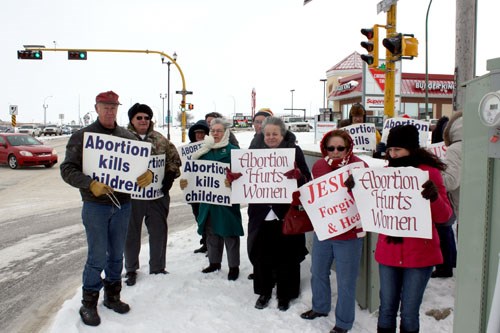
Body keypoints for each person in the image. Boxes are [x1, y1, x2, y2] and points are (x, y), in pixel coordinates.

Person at [60, 91, 154, 327]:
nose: (110, 111)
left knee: (116, 254)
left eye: (113, 107)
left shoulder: (127, 137)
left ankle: (113, 296)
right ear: (97, 108)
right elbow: (67, 170)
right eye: (105, 107)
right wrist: (90, 184)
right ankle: (89, 302)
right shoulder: (83, 137)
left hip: (123, 204)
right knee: (97, 255)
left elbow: (143, 166)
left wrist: (148, 174)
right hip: (95, 205)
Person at [367, 124, 453, 333]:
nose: (393, 154)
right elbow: (369, 204)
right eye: (390, 150)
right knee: (386, 308)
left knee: (409, 312)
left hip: (420, 253)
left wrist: (434, 198)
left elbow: (445, 217)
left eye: (398, 150)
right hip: (389, 251)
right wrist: (356, 188)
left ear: (411, 149)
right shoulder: (383, 174)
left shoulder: (429, 173)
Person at [300, 130, 367, 333]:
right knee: (318, 272)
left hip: (348, 233)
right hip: (325, 230)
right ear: (324, 148)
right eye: (331, 148)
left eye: (341, 148)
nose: (336, 152)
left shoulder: (359, 166)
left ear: (348, 148)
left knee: (346, 280)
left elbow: (368, 200)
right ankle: (320, 307)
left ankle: (344, 322)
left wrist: (357, 188)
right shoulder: (319, 166)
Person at [247, 116, 311, 312]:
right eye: (267, 134)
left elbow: (307, 180)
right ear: (262, 134)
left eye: (275, 133)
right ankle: (264, 291)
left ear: (283, 134)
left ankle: (286, 294)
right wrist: (235, 179)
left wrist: (299, 176)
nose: (271, 137)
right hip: (262, 213)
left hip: (286, 214)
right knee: (262, 255)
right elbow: (245, 179)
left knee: (288, 256)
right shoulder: (254, 153)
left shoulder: (294, 152)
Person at [124, 103, 181, 286]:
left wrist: (170, 175)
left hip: (157, 196)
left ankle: (157, 266)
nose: (143, 121)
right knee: (131, 233)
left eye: (146, 118)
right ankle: (131, 269)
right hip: (132, 197)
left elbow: (174, 159)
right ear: (132, 120)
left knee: (158, 231)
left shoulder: (160, 139)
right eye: (139, 118)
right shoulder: (122, 138)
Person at [180, 117, 243, 280]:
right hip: (208, 201)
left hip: (226, 201)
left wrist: (233, 178)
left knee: (229, 232)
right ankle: (214, 262)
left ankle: (233, 266)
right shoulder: (202, 150)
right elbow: (193, 172)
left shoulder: (233, 151)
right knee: (211, 232)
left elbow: (243, 175)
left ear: (226, 132)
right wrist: (186, 181)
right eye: (213, 131)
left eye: (219, 131)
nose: (215, 133)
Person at [433, 111, 462, 278]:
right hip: (474, 203)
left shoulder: (454, 149)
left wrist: (436, 174)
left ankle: (446, 266)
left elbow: (451, 181)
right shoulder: (478, 144)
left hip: (459, 201)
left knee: (444, 229)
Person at [187, 119, 210, 254]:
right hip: (193, 190)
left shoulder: (210, 148)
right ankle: (204, 241)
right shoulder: (187, 150)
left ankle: (210, 244)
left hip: (208, 190)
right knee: (198, 217)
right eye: (197, 133)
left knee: (208, 219)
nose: (199, 135)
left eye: (202, 133)